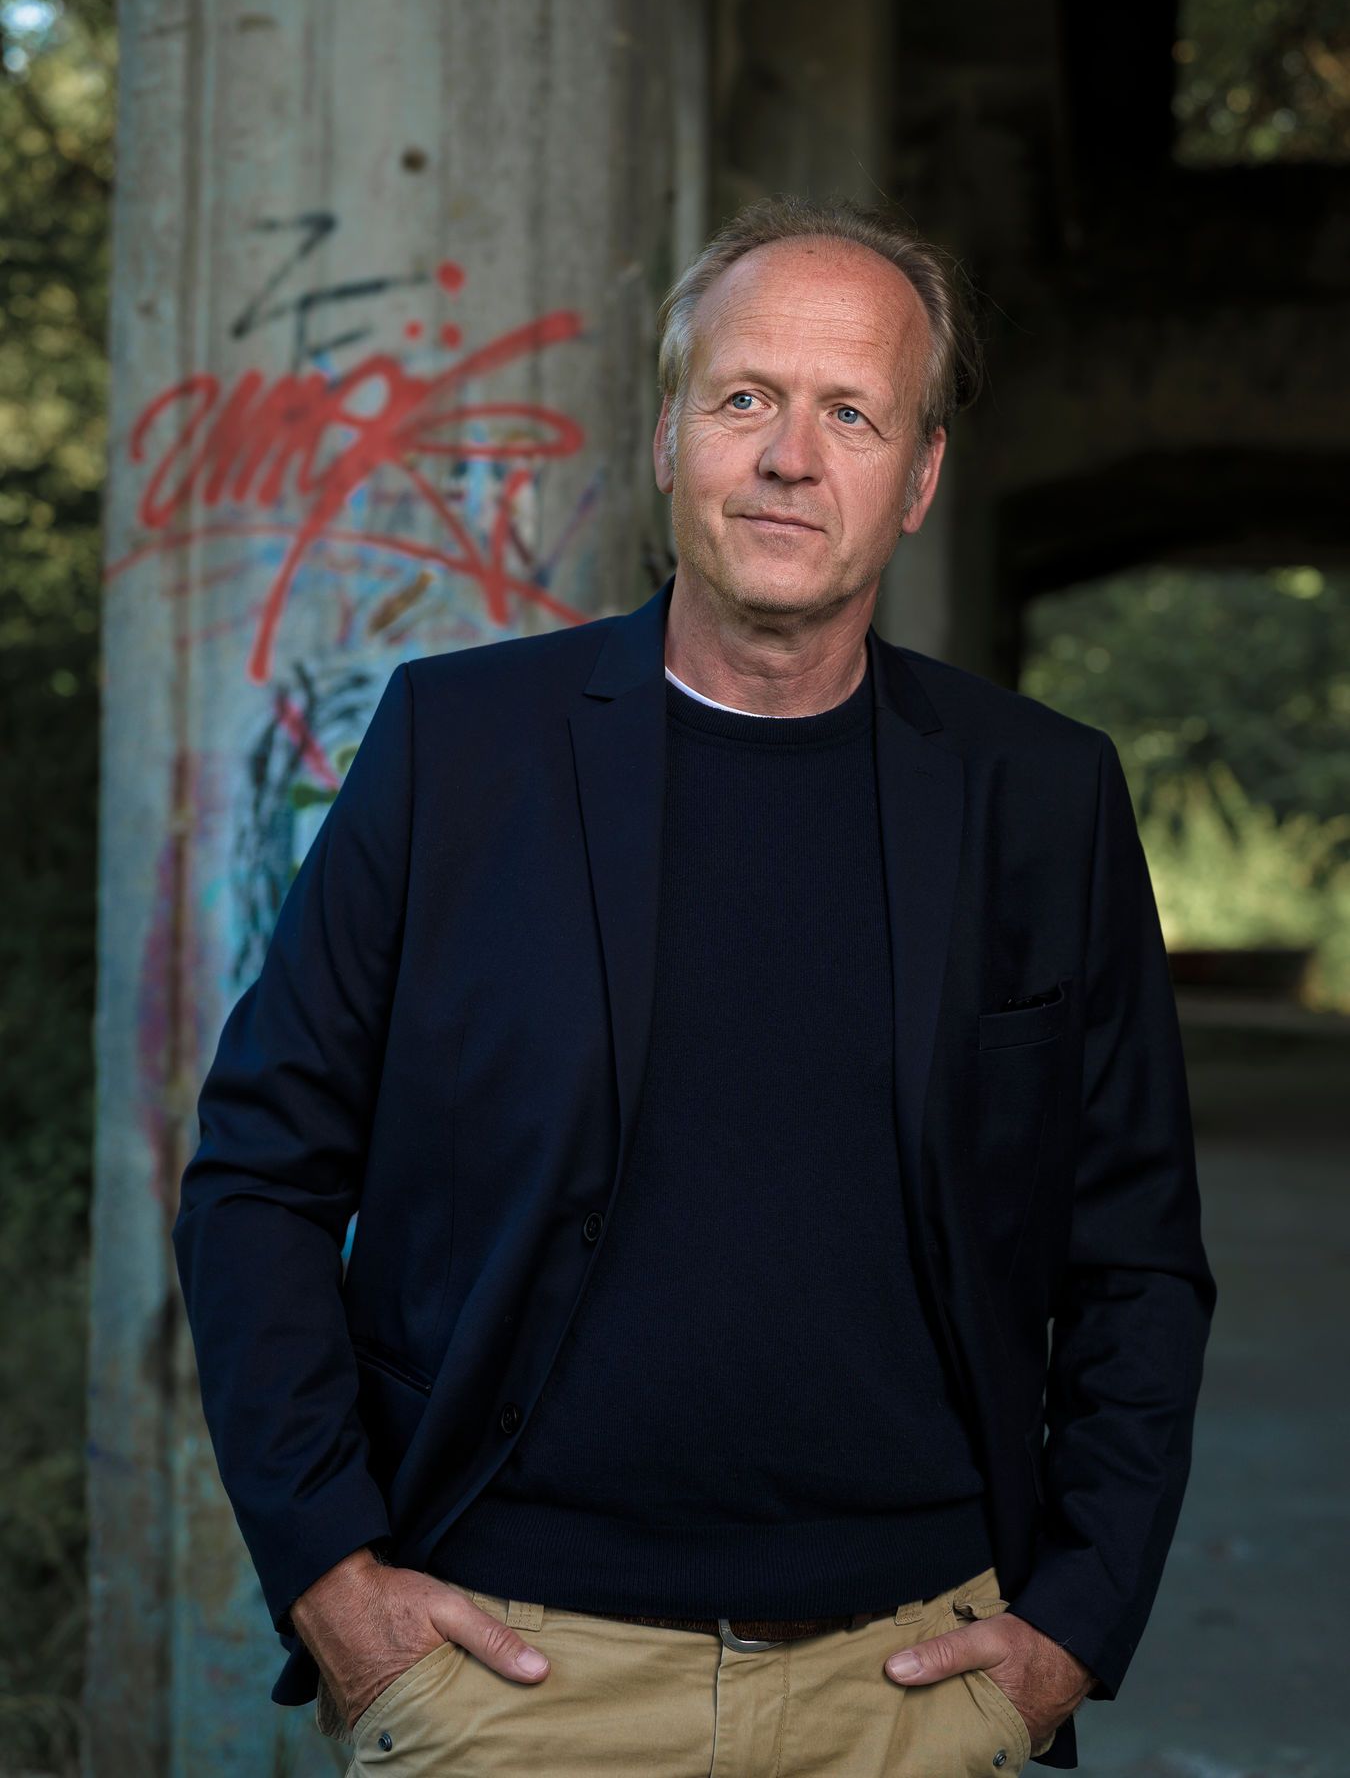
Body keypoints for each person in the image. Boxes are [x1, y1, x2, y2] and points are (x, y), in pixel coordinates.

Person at [172, 196, 1216, 1775]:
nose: (789, 457)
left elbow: (1135, 1256)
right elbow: (259, 1173)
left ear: (918, 476)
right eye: (743, 398)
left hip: (908, 1688)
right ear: (667, 436)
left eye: (850, 414)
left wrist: (1072, 1622)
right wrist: (330, 1573)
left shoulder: (1040, 796)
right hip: (515, 1680)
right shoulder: (462, 748)